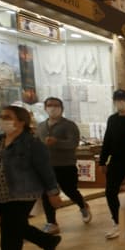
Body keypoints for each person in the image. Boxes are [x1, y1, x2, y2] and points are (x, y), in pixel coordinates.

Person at [0, 105, 63, 250]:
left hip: (23, 193)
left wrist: (52, 193)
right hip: (0, 193)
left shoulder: (31, 144)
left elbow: (45, 170)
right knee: (17, 227)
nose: (3, 120)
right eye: (1, 116)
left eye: (8, 117)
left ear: (21, 121)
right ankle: (47, 241)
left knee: (9, 232)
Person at [36, 97, 91, 235]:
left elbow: (73, 143)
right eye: (49, 105)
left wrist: (57, 142)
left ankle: (83, 205)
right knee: (47, 194)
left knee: (70, 190)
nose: (52, 108)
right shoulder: (41, 126)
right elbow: (36, 144)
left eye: (56, 105)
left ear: (62, 108)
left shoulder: (69, 125)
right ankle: (51, 222)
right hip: (46, 166)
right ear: (45, 108)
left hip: (65, 164)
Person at [99, 90, 125, 240]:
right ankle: (117, 223)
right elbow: (107, 140)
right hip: (116, 161)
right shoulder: (112, 119)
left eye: (123, 99)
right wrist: (103, 161)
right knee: (110, 192)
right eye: (117, 100)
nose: (120, 102)